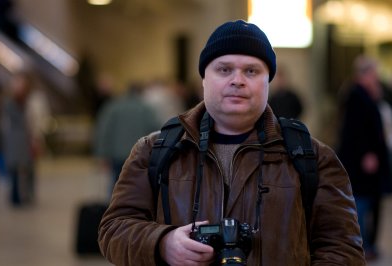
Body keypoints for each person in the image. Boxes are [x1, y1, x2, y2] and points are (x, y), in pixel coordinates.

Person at [98, 20, 365, 265]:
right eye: (224, 69)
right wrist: (162, 243)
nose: (237, 80)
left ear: (268, 81)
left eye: (251, 70)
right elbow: (113, 229)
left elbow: (343, 250)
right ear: (204, 79)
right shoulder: (154, 150)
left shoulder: (312, 157)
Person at [336, 55, 390, 261]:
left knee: (369, 204)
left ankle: (368, 244)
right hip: (362, 163)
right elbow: (354, 131)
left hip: (368, 161)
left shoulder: (366, 94)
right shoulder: (355, 96)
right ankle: (360, 245)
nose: (376, 77)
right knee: (361, 205)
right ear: (365, 74)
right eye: (374, 73)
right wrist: (366, 154)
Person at [94, 82, 161, 198]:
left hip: (117, 155)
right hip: (139, 155)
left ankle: (114, 211)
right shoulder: (146, 109)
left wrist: (102, 154)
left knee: (116, 185)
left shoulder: (113, 107)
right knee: (138, 187)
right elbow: (156, 131)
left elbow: (104, 131)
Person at [0, 71, 38, 206]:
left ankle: (27, 195)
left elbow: (32, 122)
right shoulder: (10, 103)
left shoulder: (28, 101)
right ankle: (16, 197)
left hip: (24, 140)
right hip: (16, 140)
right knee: (16, 170)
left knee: (27, 169)